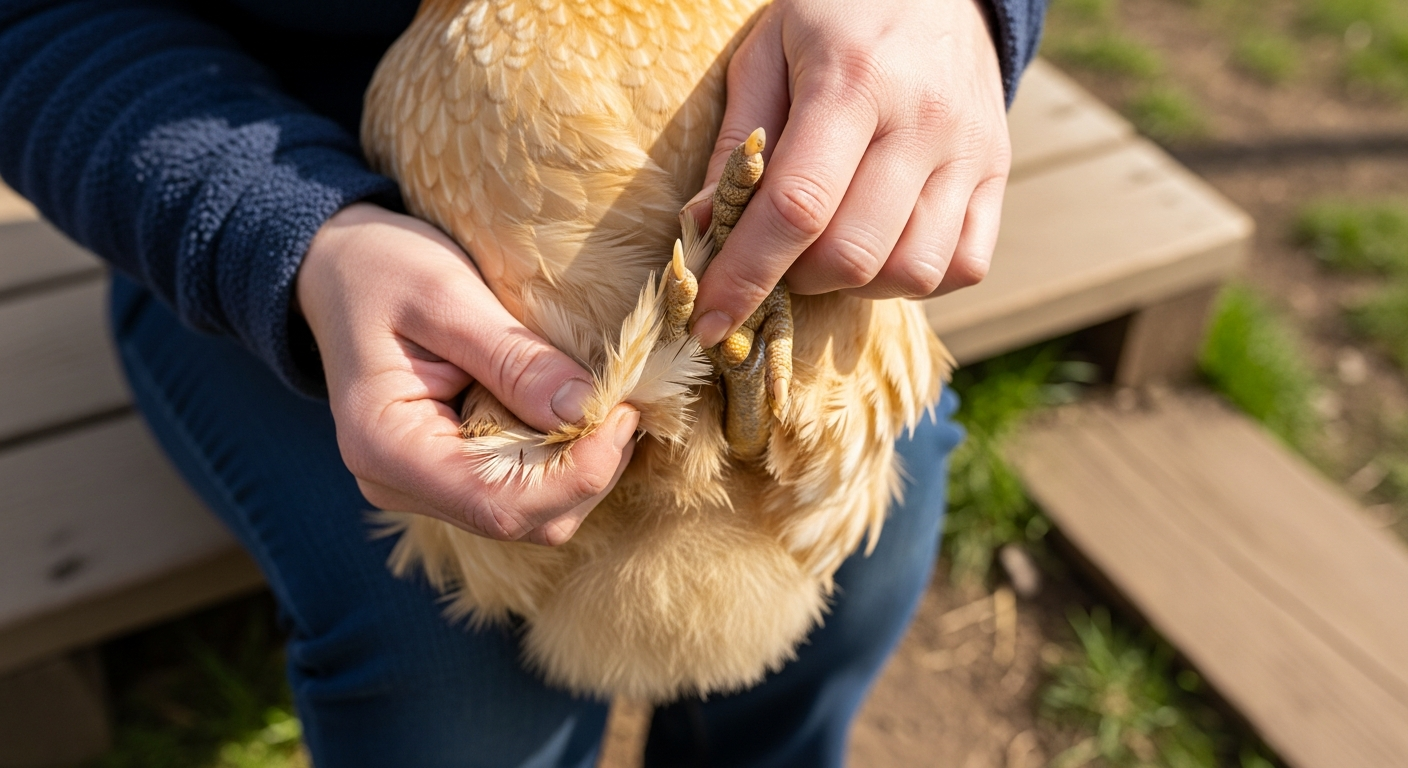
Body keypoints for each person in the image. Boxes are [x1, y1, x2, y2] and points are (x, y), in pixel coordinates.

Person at [0, 0, 1045, 765]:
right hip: (271, 192)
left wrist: (957, 15)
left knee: (883, 530)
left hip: (762, 133)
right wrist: (292, 238)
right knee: (443, 682)